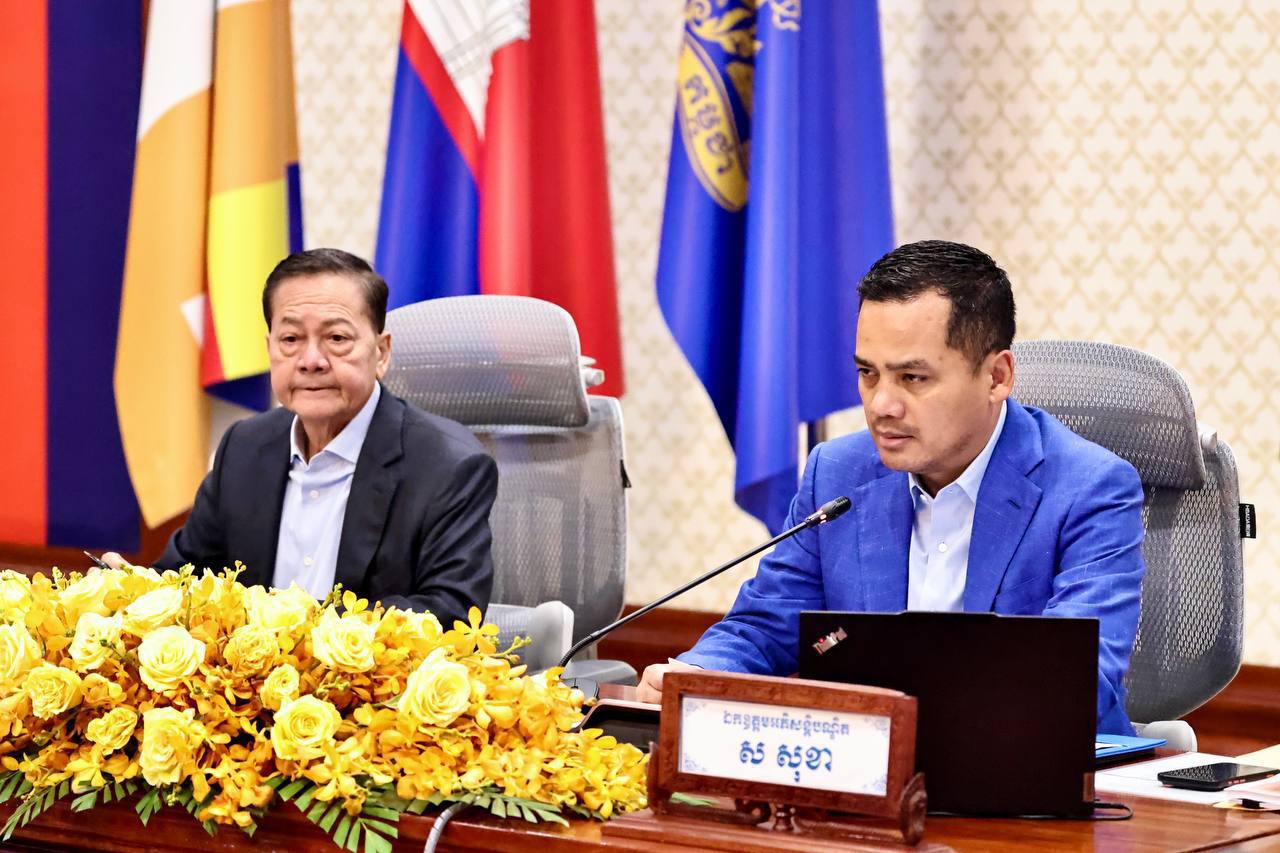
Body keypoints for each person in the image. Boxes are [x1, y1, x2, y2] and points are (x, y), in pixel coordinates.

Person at [637, 240, 1146, 735]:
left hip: (1034, 771)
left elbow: (1079, 682)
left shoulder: (1090, 489)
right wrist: (696, 675)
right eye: (868, 373)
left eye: (912, 378)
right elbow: (765, 626)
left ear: (996, 377)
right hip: (866, 768)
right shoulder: (836, 474)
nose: (881, 405)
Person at [105, 249, 497, 625]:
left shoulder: (448, 466)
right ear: (270, 349)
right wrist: (134, 591)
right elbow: (188, 575)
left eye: (337, 338)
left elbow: (450, 612)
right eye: (291, 340)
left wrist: (301, 631)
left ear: (381, 353)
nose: (311, 361)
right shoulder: (244, 447)